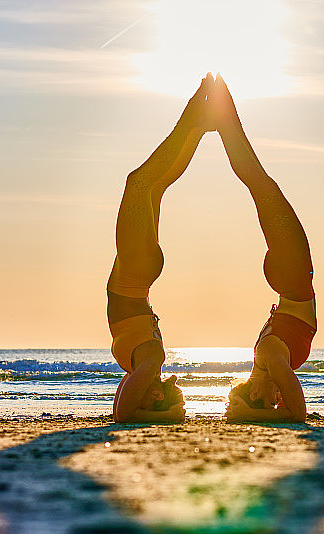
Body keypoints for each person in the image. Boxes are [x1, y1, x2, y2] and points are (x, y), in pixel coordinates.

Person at [107, 74, 217, 423]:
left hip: (135, 276)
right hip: (134, 278)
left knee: (152, 185)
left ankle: (196, 124)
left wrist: (156, 411)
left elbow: (122, 411)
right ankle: (194, 119)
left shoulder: (145, 364)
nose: (152, 391)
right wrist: (164, 411)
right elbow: (125, 415)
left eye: (151, 398)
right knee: (141, 183)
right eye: (159, 395)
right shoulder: (152, 360)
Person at [211, 74, 317, 423]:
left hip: (293, 276)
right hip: (289, 278)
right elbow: (290, 405)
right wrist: (255, 412)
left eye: (269, 400)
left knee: (259, 182)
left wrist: (252, 415)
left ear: (255, 391)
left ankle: (224, 114)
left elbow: (298, 412)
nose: (277, 399)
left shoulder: (270, 356)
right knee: (260, 184)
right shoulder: (267, 359)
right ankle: (223, 115)